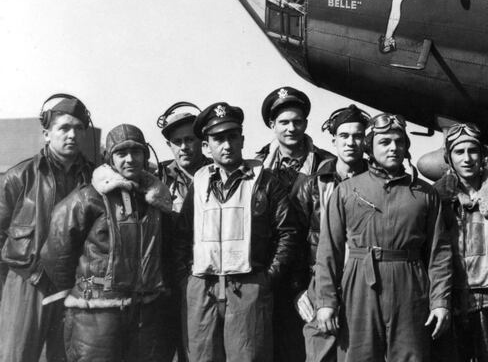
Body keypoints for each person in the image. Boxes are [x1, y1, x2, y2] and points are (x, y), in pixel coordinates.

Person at [314, 113, 453, 362]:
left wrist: (440, 301)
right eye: (385, 142)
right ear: (370, 147)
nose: (393, 148)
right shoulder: (346, 191)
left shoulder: (425, 193)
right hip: (360, 282)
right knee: (359, 355)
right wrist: (326, 301)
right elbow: (329, 251)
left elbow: (439, 253)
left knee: (411, 356)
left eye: (399, 141)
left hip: (410, 284)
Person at [178, 102, 299, 362]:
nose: (227, 145)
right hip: (203, 286)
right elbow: (182, 235)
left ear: (242, 140)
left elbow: (287, 233)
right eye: (218, 139)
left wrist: (267, 278)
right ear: (206, 146)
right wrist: (187, 279)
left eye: (232, 137)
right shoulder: (198, 183)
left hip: (248, 286)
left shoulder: (265, 181)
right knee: (201, 357)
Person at [41, 124, 173, 361]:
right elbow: (56, 253)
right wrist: (84, 288)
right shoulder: (88, 198)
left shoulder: (155, 200)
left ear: (145, 155)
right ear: (109, 158)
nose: (130, 159)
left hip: (144, 312)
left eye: (136, 152)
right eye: (121, 153)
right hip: (95, 315)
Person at [0, 94, 93, 362]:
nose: (72, 135)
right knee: (17, 356)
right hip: (27, 283)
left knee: (67, 356)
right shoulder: (19, 176)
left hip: (75, 285)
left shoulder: (94, 178)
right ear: (46, 134)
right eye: (64, 128)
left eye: (78, 128)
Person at [256, 86, 333, 362]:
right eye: (284, 122)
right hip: (271, 275)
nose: (291, 128)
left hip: (311, 276)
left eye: (297, 122)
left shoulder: (327, 166)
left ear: (306, 123)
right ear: (272, 125)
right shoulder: (256, 168)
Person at [291, 104, 371, 362]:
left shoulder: (378, 183)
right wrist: (298, 290)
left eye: (357, 136)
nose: (351, 143)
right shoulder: (311, 185)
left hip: (365, 285)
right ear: (334, 140)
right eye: (344, 136)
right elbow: (294, 240)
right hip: (320, 285)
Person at [432, 123, 488, 362]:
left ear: (483, 154)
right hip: (453, 303)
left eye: (473, 151)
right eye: (459, 152)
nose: (467, 159)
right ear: (449, 158)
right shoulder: (437, 199)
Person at [156, 101, 211, 362]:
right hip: (166, 281)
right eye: (176, 142)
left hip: (204, 278)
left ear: (202, 141)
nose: (184, 147)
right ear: (169, 145)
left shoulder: (216, 174)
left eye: (189, 139)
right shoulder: (157, 179)